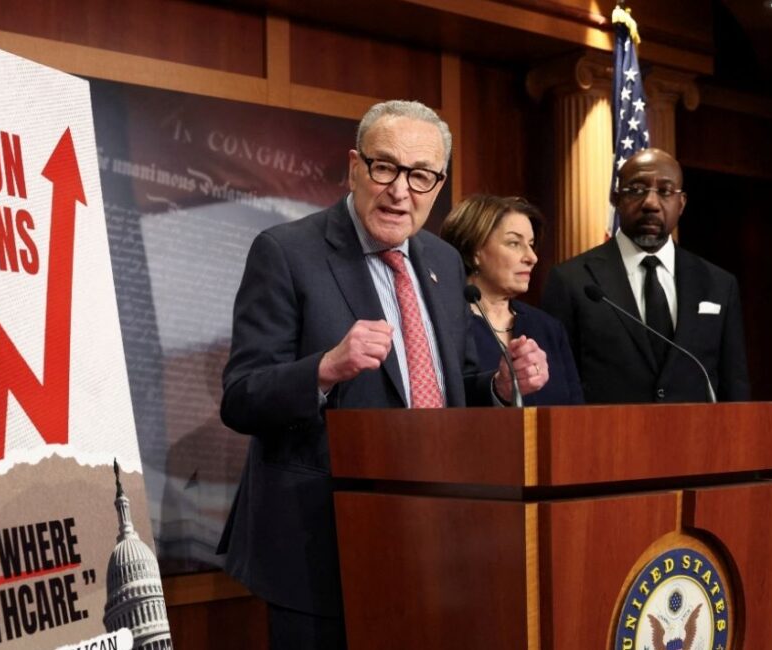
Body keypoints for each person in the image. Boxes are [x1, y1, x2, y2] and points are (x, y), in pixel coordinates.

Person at [216, 100, 550, 649]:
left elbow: (451, 386)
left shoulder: (443, 262)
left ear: (438, 185)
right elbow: (241, 395)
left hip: (432, 539)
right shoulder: (287, 252)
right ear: (354, 167)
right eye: (385, 167)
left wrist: (497, 385)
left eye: (421, 176)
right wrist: (324, 370)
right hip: (320, 548)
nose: (400, 191)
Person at [540, 148, 750, 403]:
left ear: (681, 203)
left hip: (696, 429)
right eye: (637, 189)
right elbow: (556, 385)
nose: (651, 203)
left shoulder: (719, 284)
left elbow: (734, 385)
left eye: (665, 191)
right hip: (607, 429)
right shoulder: (572, 281)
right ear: (616, 198)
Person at [440, 194, 583, 405]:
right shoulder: (442, 324)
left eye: (531, 244)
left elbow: (575, 410)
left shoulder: (548, 328)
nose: (532, 257)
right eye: (514, 243)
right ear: (474, 251)